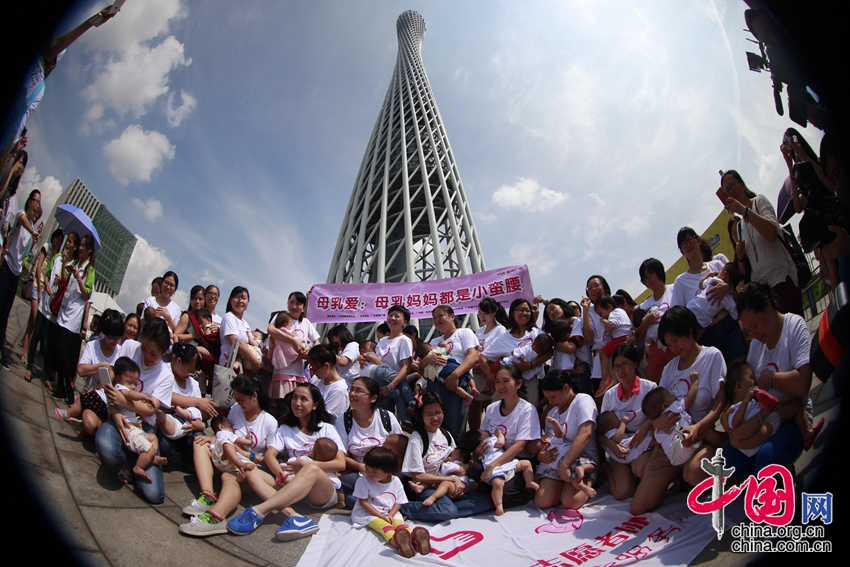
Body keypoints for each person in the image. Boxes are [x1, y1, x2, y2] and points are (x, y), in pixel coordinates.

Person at [223, 383, 346, 540]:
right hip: (292, 485)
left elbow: (340, 463)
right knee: (251, 472)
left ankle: (259, 511)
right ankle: (296, 517)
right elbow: (269, 457)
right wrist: (283, 477)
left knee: (311, 469)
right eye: (295, 397)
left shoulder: (327, 429)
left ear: (315, 405)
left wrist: (305, 464)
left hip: (321, 492)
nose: (297, 403)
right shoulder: (285, 429)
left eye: (303, 399)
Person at [722, 283, 816, 480]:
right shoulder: (757, 344)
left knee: (767, 460)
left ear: (767, 306)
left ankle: (776, 472)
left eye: (755, 326)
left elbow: (802, 383)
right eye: (748, 330)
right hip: (764, 416)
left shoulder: (794, 326)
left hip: (793, 417)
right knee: (728, 462)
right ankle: (763, 476)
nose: (754, 334)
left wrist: (771, 379)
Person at [179, 375, 278, 534]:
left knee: (229, 477)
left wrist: (245, 454)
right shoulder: (236, 410)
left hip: (248, 469)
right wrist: (211, 438)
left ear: (254, 396)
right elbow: (226, 434)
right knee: (200, 443)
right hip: (227, 461)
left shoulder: (269, 422)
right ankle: (207, 495)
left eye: (242, 399)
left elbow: (269, 459)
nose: (239, 404)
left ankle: (217, 516)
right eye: (237, 399)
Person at [95, 319, 175, 504]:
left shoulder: (165, 375)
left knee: (154, 495)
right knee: (106, 448)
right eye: (144, 348)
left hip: (142, 426)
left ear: (163, 352)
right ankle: (128, 459)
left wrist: (125, 401)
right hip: (119, 417)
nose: (146, 355)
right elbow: (110, 385)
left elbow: (150, 409)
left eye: (154, 353)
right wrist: (115, 412)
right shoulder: (130, 347)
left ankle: (133, 459)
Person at [719, 170, 803, 316]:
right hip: (763, 295)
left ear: (742, 184)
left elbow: (771, 234)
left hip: (782, 281)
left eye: (732, 185)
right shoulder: (739, 227)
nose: (731, 192)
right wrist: (740, 256)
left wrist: (744, 211)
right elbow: (746, 272)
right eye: (727, 191)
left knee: (794, 332)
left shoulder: (759, 201)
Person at [398, 391, 491, 521]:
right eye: (429, 414)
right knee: (448, 510)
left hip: (450, 487)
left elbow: (456, 460)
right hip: (428, 488)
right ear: (421, 416)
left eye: (438, 413)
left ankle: (435, 510)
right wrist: (449, 480)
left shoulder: (446, 435)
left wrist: (464, 468)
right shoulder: (417, 438)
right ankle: (403, 507)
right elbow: (417, 476)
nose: (435, 418)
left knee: (485, 501)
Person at [671, 227, 746, 364]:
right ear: (681, 251)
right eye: (683, 244)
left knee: (740, 370)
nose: (688, 245)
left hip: (730, 328)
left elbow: (737, 299)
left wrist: (728, 288)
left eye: (690, 239)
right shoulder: (680, 282)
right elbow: (677, 318)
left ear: (698, 240)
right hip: (708, 338)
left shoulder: (718, 265)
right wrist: (693, 334)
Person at [474, 364, 541, 509]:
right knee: (474, 469)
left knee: (506, 491)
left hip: (517, 462)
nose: (500, 386)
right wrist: (479, 452)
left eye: (506, 381)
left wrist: (493, 466)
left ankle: (506, 491)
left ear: (519, 383)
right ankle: (491, 490)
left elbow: (520, 446)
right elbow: (484, 435)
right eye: (497, 381)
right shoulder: (492, 408)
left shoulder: (527, 410)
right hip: (493, 457)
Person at [534, 369, 599, 510]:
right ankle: (563, 485)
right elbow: (552, 443)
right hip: (557, 463)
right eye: (548, 398)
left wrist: (565, 464)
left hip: (581, 460)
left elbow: (586, 433)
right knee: (542, 501)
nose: (551, 402)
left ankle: (586, 480)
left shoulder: (583, 401)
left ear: (566, 388)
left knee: (571, 502)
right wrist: (542, 456)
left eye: (553, 397)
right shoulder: (553, 413)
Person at [598, 345, 655, 502]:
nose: (621, 371)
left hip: (641, 445)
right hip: (619, 449)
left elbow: (660, 418)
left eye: (626, 364)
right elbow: (600, 433)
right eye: (616, 367)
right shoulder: (610, 395)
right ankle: (607, 471)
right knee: (622, 492)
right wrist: (612, 446)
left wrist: (647, 424)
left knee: (641, 468)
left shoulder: (650, 388)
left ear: (636, 364)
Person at [335, 376, 404, 508]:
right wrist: (361, 467)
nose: (352, 394)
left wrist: (385, 473)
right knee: (352, 499)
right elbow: (342, 455)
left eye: (359, 391)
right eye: (352, 389)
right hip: (360, 473)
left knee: (354, 499)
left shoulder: (387, 418)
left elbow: (400, 449)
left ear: (373, 398)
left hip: (385, 474)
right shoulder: (343, 421)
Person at [350, 447, 430, 558]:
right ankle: (397, 542)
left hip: (390, 512)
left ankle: (414, 539)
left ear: (389, 472)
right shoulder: (363, 481)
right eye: (367, 468)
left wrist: (390, 515)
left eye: (374, 472)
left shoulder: (396, 481)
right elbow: (363, 503)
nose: (369, 473)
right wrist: (382, 517)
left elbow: (399, 502)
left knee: (400, 525)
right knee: (384, 527)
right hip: (369, 514)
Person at [417, 305, 480, 439]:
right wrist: (427, 358)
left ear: (452, 316)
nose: (437, 320)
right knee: (436, 427)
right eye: (434, 318)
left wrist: (455, 375)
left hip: (456, 383)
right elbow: (422, 369)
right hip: (434, 385)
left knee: (454, 427)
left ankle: (456, 456)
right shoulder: (434, 341)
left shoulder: (464, 333)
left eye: (441, 316)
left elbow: (473, 356)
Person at [107, 356, 167, 483]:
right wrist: (144, 397)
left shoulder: (165, 374)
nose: (133, 387)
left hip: (137, 428)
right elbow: (130, 394)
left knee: (153, 438)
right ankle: (139, 467)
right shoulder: (120, 388)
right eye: (129, 383)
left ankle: (150, 457)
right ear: (118, 379)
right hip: (129, 429)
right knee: (149, 448)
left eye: (135, 383)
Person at [52, 233, 95, 405]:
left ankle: (69, 388)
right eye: (81, 245)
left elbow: (87, 295)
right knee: (59, 348)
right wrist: (64, 264)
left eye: (84, 245)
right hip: (64, 310)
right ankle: (62, 387)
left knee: (63, 350)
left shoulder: (89, 271)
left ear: (90, 250)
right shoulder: (75, 263)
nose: (81, 248)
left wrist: (78, 277)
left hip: (74, 318)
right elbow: (63, 280)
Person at [0, 188, 41, 369]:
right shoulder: (21, 215)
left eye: (39, 203)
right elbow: (21, 219)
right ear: (29, 202)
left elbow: (26, 253)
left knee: (5, 312)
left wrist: (34, 234)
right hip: (6, 266)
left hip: (16, 272)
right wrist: (33, 231)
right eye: (35, 200)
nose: (36, 205)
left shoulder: (30, 229)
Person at [481, 298, 547, 405]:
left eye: (527, 310)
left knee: (528, 416)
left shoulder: (537, 333)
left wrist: (530, 365)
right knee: (501, 417)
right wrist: (489, 375)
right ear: (512, 312)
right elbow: (482, 357)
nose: (524, 313)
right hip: (505, 385)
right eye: (520, 310)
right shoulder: (503, 338)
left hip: (529, 383)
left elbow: (549, 352)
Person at [462, 428, 538, 516]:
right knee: (525, 465)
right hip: (497, 467)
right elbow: (501, 443)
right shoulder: (489, 441)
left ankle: (528, 482)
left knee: (499, 483)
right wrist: (499, 434)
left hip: (504, 464)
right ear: (481, 438)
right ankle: (499, 503)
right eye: (482, 432)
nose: (486, 431)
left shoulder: (480, 448)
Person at [23, 227, 63, 381]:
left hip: (44, 291)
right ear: (53, 238)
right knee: (35, 322)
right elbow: (39, 266)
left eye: (60, 240)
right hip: (36, 287)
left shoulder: (56, 256)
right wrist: (40, 288)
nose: (58, 242)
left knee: (31, 324)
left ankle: (25, 352)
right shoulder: (47, 247)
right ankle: (27, 356)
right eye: (57, 239)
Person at [369, 305, 415, 426]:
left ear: (404, 322)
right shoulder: (382, 341)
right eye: (390, 315)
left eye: (397, 316)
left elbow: (406, 366)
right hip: (379, 385)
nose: (392, 318)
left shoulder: (404, 340)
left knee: (393, 418)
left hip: (393, 384)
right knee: (381, 421)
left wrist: (390, 386)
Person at [636, 258, 676, 383]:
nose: (648, 279)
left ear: (659, 271)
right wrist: (646, 321)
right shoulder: (643, 306)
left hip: (677, 342)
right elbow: (639, 336)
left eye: (650, 274)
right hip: (656, 350)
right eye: (644, 278)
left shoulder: (675, 289)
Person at [470, 297, 508, 430]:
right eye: (479, 313)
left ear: (494, 312)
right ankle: (474, 434)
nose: (482, 317)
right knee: (474, 404)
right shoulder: (479, 331)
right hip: (476, 373)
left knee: (491, 405)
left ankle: (491, 431)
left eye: (485, 313)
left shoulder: (500, 330)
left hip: (490, 373)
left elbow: (496, 352)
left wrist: (481, 359)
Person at [75, 308, 123, 392]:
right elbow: (81, 370)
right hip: (95, 393)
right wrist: (103, 366)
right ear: (104, 333)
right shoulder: (92, 346)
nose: (115, 341)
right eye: (111, 338)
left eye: (118, 338)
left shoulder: (121, 351)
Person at [686, 262, 741, 328]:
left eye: (720, 271)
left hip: (691, 307)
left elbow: (701, 284)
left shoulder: (714, 281)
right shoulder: (728, 299)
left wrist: (709, 275)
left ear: (724, 275)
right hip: (702, 321)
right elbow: (736, 316)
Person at [219, 286, 262, 371]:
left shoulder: (245, 323)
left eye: (243, 298)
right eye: (237, 297)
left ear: (248, 302)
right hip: (229, 365)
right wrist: (255, 362)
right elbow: (235, 342)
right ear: (231, 300)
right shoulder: (229, 317)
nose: (240, 301)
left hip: (243, 367)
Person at [307, 344, 350, 423]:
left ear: (326, 366)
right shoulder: (316, 379)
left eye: (314, 368)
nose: (312, 371)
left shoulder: (339, 389)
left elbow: (325, 418)